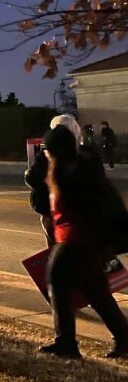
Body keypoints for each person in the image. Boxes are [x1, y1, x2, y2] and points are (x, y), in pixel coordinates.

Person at [39, 125, 128, 359]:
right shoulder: (75, 166)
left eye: (47, 150)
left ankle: (66, 343)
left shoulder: (72, 171)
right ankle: (124, 338)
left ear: (54, 150)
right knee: (95, 291)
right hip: (86, 241)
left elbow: (85, 209)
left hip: (78, 240)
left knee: (57, 281)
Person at [26, 114, 84, 247]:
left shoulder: (46, 156)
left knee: (56, 247)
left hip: (52, 210)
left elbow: (33, 179)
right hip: (79, 210)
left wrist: (28, 174)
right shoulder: (84, 154)